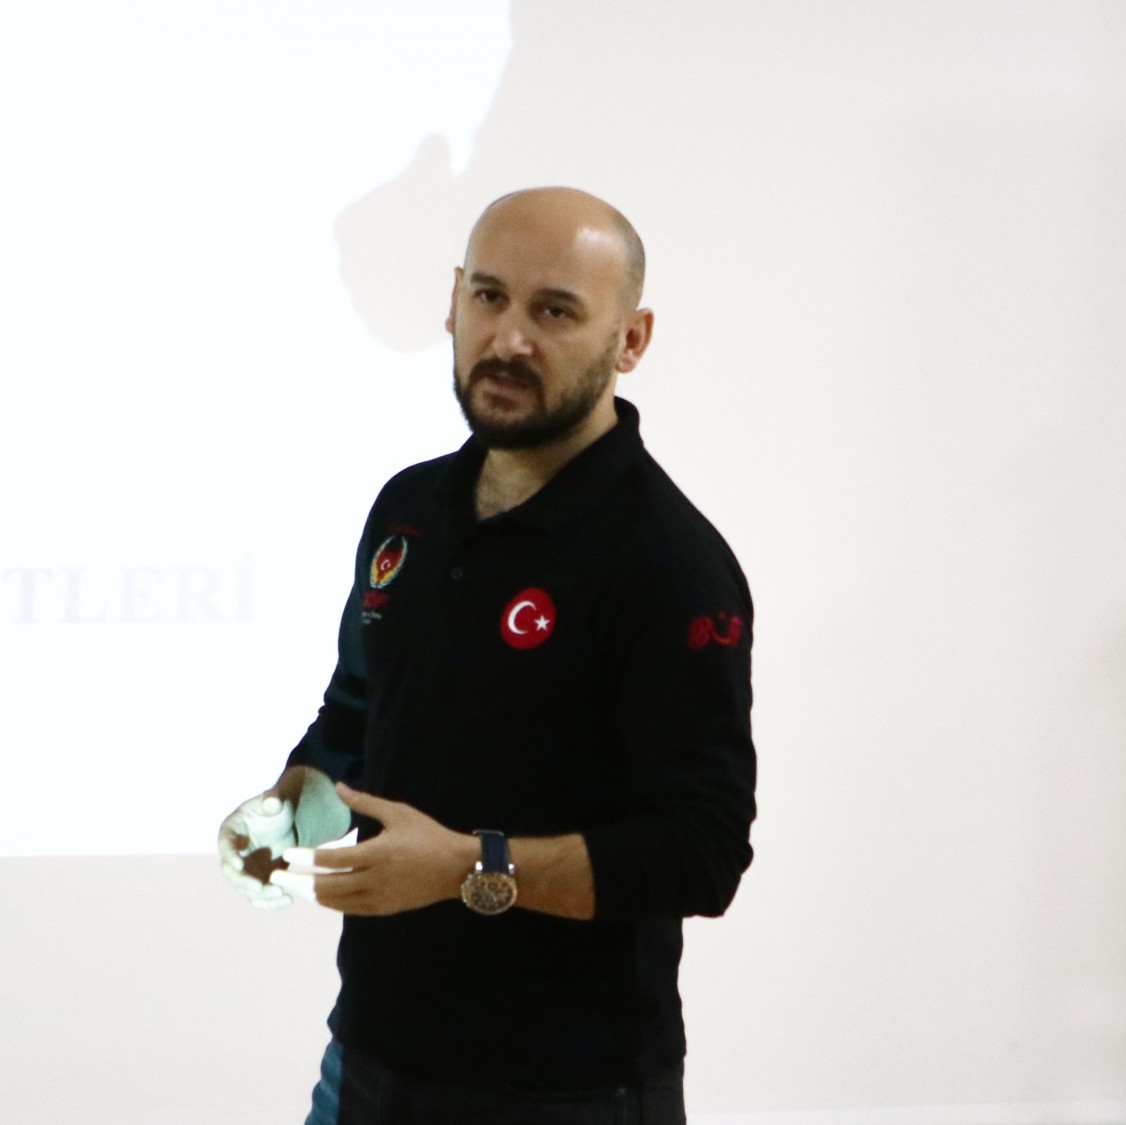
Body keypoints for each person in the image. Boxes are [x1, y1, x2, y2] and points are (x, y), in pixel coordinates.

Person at [217, 186, 755, 1125]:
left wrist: (472, 865)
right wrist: (292, 808)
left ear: (631, 340)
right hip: (367, 1063)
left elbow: (701, 853)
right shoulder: (410, 508)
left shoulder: (670, 564)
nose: (508, 339)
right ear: (454, 299)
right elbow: (359, 711)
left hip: (569, 1091)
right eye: (490, 297)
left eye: (556, 311)